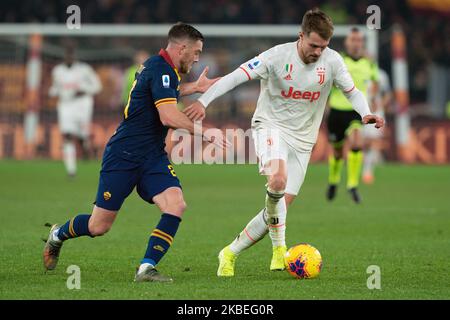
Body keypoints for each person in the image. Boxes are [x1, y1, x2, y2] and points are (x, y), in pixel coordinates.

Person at [183, 9, 384, 276]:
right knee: (277, 180)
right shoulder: (276, 57)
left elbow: (352, 91)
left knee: (279, 209)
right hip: (270, 127)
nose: (317, 52)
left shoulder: (333, 61)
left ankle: (229, 252)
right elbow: (235, 77)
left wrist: (365, 112)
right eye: (313, 45)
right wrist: (203, 101)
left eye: (323, 47)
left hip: (303, 141)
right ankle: (280, 248)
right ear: (301, 36)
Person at [43, 23, 222, 283]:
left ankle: (146, 268)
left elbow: (158, 92)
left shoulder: (158, 66)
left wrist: (192, 88)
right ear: (182, 48)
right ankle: (58, 234)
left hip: (152, 157)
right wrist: (206, 132)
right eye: (196, 52)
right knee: (98, 226)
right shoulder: (162, 70)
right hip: (123, 155)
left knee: (176, 204)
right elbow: (168, 116)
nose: (197, 58)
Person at [326, 27, 380, 203]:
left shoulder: (369, 63)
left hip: (356, 111)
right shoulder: (338, 61)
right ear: (347, 43)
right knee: (338, 151)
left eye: (359, 40)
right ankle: (334, 181)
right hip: (336, 110)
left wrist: (372, 98)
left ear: (362, 43)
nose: (356, 43)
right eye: (353, 40)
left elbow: (375, 81)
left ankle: (352, 185)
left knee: (357, 141)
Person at [49, 44, 102, 177]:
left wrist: (84, 90)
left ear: (74, 56)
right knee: (67, 135)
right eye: (67, 55)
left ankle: (84, 145)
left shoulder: (84, 69)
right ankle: (71, 170)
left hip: (82, 104)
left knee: (82, 135)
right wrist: (52, 92)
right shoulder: (57, 71)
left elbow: (97, 86)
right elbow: (55, 88)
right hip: (65, 105)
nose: (69, 57)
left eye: (71, 55)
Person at [362, 68, 392, 184]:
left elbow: (388, 94)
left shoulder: (381, 74)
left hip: (375, 111)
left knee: (371, 141)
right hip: (360, 109)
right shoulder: (357, 71)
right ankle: (364, 167)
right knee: (361, 142)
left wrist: (380, 106)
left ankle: (367, 171)